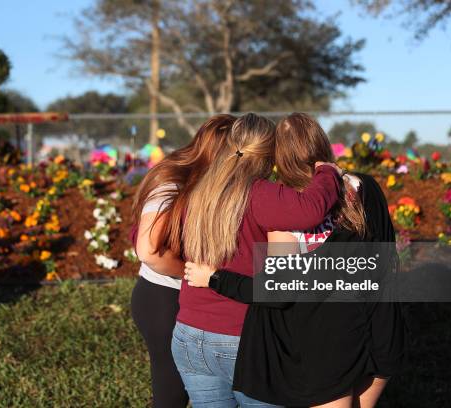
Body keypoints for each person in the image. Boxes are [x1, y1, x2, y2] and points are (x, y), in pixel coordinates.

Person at [184, 113, 406, 407]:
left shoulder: (287, 211)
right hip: (380, 327)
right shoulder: (365, 187)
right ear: (322, 143)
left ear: (279, 156)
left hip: (327, 345)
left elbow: (276, 292)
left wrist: (214, 278)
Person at [172, 113, 344, 407]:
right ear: (270, 154)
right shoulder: (261, 194)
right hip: (240, 338)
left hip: (188, 334)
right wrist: (327, 172)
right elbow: (311, 209)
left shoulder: (199, 191)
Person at [130, 114, 236, 408]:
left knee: (182, 390)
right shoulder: (174, 182)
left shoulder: (206, 183)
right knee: (172, 394)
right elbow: (148, 249)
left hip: (180, 297)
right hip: (163, 296)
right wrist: (188, 273)